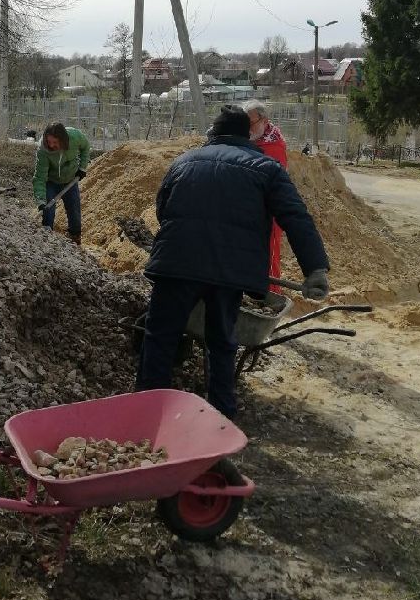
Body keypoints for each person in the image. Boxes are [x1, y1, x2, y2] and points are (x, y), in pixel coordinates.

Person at [137, 106, 329, 419]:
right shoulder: (267, 168)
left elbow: (163, 208)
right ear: (246, 135)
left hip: (177, 262)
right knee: (222, 342)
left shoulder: (183, 161)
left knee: (160, 337)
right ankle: (220, 419)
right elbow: (296, 217)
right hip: (230, 272)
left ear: (212, 135)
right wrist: (315, 269)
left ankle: (147, 416)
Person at [243, 99, 288, 294]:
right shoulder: (251, 140)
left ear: (264, 120)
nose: (249, 129)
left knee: (268, 256)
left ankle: (270, 294)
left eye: (251, 124)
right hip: (247, 209)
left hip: (267, 210)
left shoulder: (274, 144)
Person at [33, 122, 90, 244]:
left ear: (63, 139)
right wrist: (41, 201)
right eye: (49, 141)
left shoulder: (75, 136)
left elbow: (86, 146)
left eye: (55, 142)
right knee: (48, 210)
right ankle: (46, 239)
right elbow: (39, 178)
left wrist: (82, 168)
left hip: (70, 180)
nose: (51, 145)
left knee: (74, 210)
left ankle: (75, 238)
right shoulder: (43, 150)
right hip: (51, 182)